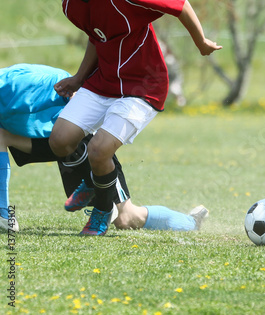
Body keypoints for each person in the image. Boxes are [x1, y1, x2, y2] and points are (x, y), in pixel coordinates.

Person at [39, 0, 221, 236]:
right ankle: (97, 185)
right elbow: (98, 35)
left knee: (100, 153)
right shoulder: (71, 5)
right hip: (102, 83)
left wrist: (201, 42)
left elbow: (181, 4)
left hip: (142, 88)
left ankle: (103, 209)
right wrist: (79, 77)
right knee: (60, 140)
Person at [0, 63, 208, 233]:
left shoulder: (20, 85)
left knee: (127, 217)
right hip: (55, 140)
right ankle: (2, 215)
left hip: (84, 140)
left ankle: (190, 223)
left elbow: (80, 98)